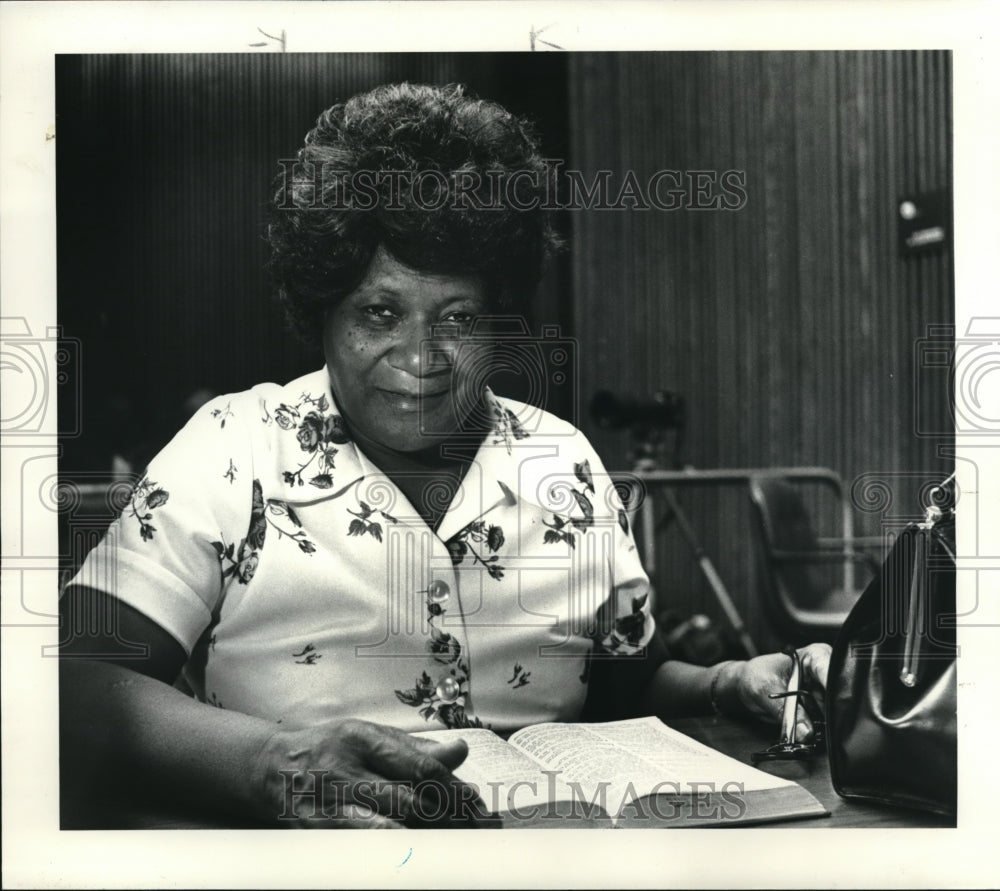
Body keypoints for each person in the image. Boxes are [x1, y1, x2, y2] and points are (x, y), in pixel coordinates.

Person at [59, 82, 830, 829]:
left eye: (458, 316)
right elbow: (68, 686)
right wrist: (274, 760)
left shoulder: (562, 460)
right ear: (322, 312)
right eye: (379, 312)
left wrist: (727, 682)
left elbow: (619, 681)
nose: (422, 357)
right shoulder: (234, 446)